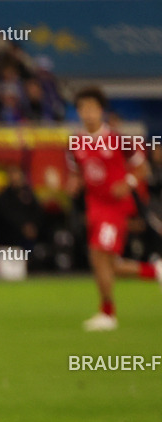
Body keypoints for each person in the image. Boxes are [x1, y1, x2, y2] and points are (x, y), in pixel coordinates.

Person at [67, 87, 162, 331]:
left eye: (92, 107)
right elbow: (77, 171)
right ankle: (155, 271)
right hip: (94, 207)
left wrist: (127, 183)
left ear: (101, 110)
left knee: (99, 256)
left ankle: (108, 313)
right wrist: (73, 183)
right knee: (107, 264)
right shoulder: (75, 143)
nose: (88, 113)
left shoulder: (119, 140)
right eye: (83, 108)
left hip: (115, 207)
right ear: (78, 112)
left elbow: (142, 168)